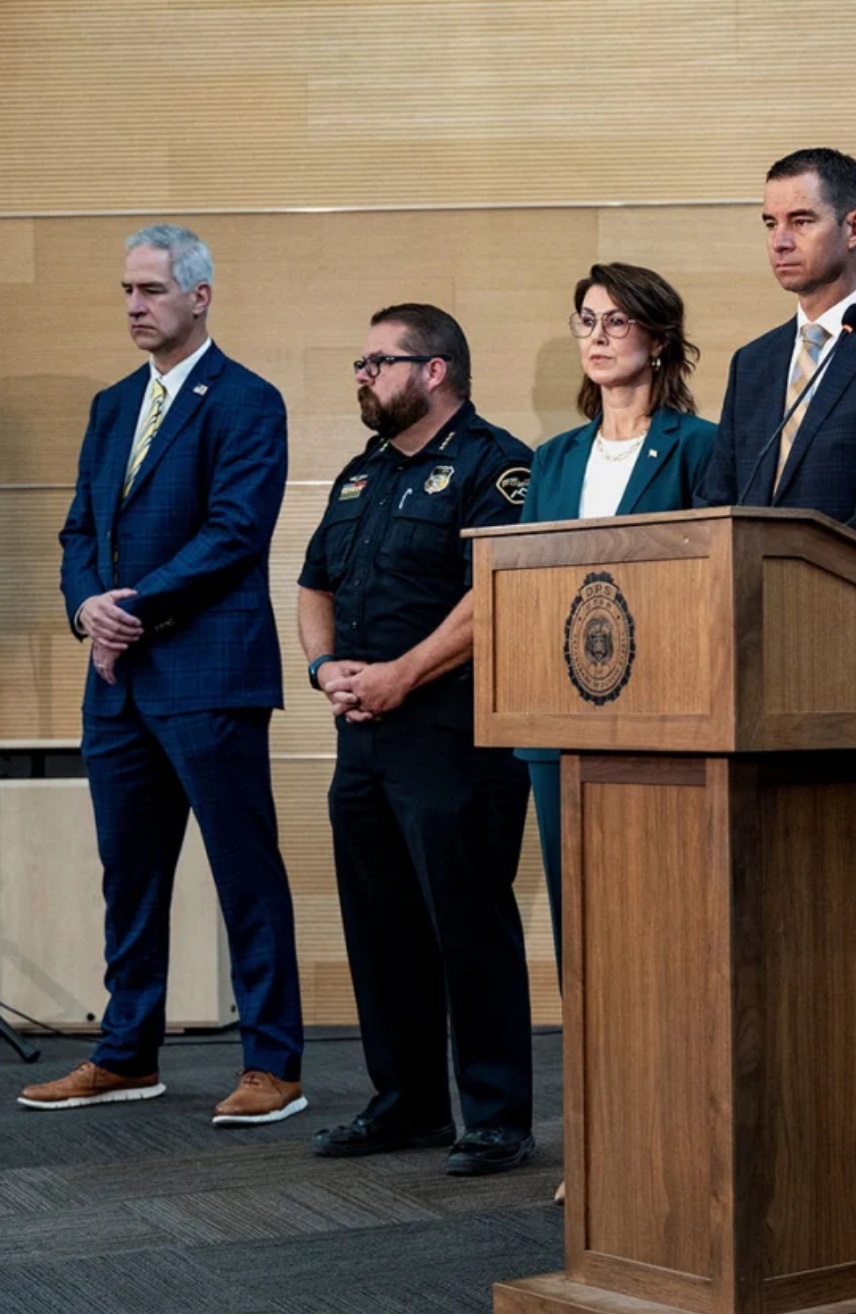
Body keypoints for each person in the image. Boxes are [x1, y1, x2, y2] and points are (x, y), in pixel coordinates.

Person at [25, 223, 305, 1127]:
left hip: (208, 672)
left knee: (243, 873)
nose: (135, 307)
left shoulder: (247, 400)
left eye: (150, 290)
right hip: (116, 683)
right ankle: (126, 1055)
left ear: (200, 296)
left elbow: (234, 533)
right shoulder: (113, 406)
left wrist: (128, 606)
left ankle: (273, 1065)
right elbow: (78, 533)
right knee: (130, 876)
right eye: (127, 292)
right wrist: (86, 609)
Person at [297, 303, 537, 1176]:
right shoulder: (361, 474)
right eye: (361, 363)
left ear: (434, 370)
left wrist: (402, 672)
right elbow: (314, 584)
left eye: (378, 362)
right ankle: (405, 1102)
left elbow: (494, 598)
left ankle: (497, 1115)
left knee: (467, 922)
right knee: (380, 925)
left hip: (453, 734)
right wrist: (327, 672)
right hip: (362, 737)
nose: (362, 376)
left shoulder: (496, 466)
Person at [519, 262, 715, 980]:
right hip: (560, 716)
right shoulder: (552, 460)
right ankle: (592, 1082)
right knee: (582, 921)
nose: (597, 336)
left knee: (660, 913)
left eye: (617, 321)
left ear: (659, 338)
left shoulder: (699, 446)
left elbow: (708, 578)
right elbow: (529, 584)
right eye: (587, 321)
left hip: (661, 713)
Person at [697, 148, 856, 517]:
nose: (780, 242)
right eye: (771, 224)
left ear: (854, 227)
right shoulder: (752, 362)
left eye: (800, 222)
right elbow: (716, 502)